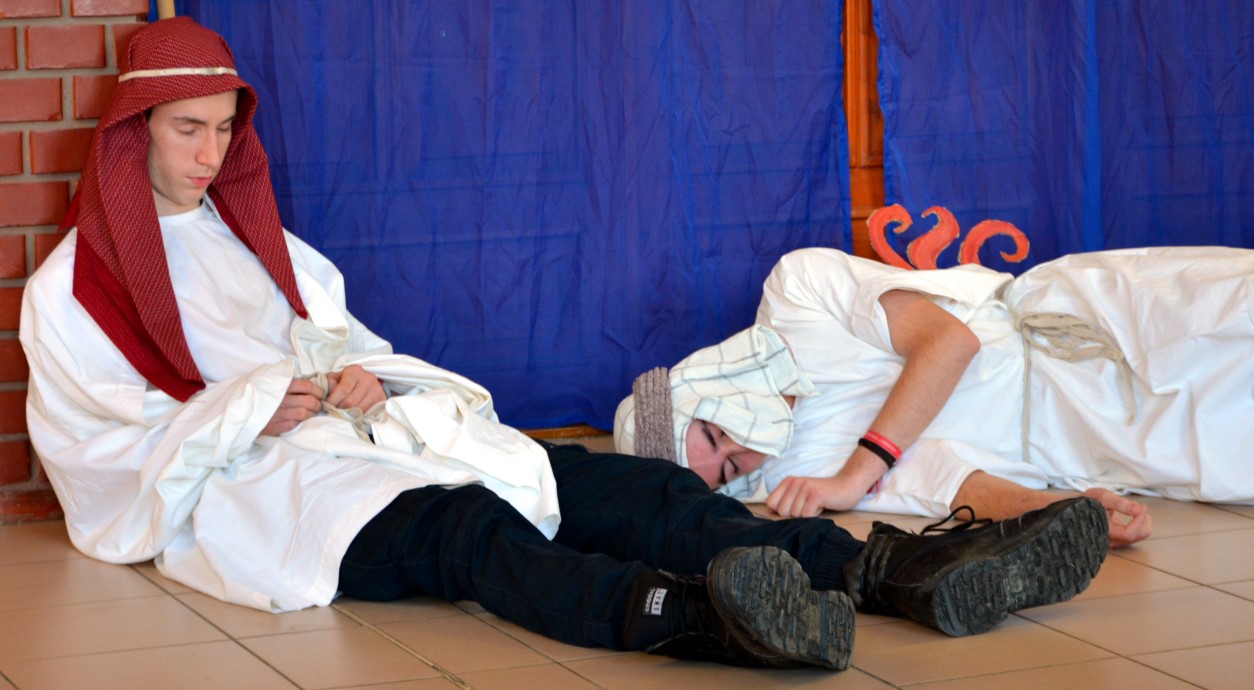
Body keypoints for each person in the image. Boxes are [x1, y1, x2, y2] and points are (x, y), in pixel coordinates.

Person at [18, 17, 1113, 672]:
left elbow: (347, 339)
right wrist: (255, 409)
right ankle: (705, 621)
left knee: (626, 487)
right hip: (276, 490)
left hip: (374, 437)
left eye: (224, 129)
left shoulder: (263, 246)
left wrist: (356, 376)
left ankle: (895, 571)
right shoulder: (73, 290)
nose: (211, 154)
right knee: (472, 529)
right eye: (187, 129)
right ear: (131, 132)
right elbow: (104, 461)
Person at [616, 246, 1254, 547]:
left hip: (1099, 328)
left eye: (714, 433)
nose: (743, 451)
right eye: (725, 471)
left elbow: (949, 342)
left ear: (698, 383)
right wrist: (1064, 512)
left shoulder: (797, 294)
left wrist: (855, 475)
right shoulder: (787, 482)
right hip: (1096, 440)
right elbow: (948, 482)